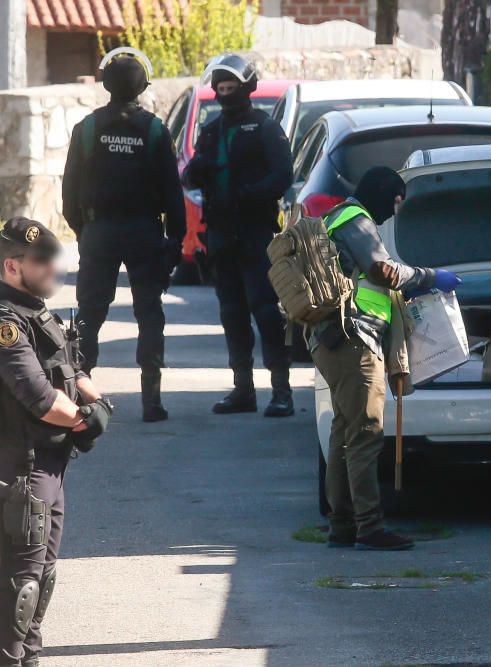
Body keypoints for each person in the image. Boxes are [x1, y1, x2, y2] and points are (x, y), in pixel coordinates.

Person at [314, 166, 460, 551]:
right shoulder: (355, 219)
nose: (395, 210)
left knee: (344, 432)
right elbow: (382, 271)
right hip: (353, 340)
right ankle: (369, 527)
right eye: (396, 200)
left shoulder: (340, 217)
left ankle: (342, 524)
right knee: (365, 434)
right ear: (381, 191)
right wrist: (429, 277)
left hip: (336, 338)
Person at [0, 218, 112, 667]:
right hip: (22, 467)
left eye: (52, 259)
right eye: (40, 262)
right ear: (11, 265)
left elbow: (70, 369)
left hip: (50, 464)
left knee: (41, 579)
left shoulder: (35, 309)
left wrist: (97, 400)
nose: (51, 269)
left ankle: (29, 657)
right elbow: (39, 397)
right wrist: (85, 420)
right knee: (20, 582)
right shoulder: (6, 322)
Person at [62, 48, 184, 423]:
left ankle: (79, 396)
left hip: (100, 231)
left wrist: (85, 230)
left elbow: (69, 191)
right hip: (144, 230)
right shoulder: (154, 130)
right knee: (149, 313)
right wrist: (174, 240)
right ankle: (152, 401)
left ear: (105, 85)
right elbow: (172, 190)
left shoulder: (87, 129)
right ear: (142, 86)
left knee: (90, 314)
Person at [183, 54, 294, 417]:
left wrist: (247, 194)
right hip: (221, 233)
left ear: (247, 89)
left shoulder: (265, 127)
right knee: (231, 312)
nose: (225, 94)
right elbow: (193, 173)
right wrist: (198, 172)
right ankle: (242, 389)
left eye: (232, 88)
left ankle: (282, 391)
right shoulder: (212, 130)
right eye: (220, 88)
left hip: (257, 232)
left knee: (265, 310)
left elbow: (282, 177)